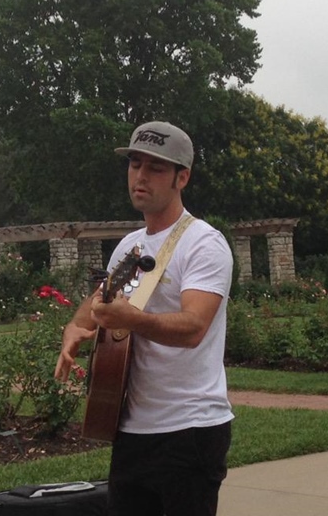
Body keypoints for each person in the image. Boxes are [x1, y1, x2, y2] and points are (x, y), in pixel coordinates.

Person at [55, 121, 234, 516]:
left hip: (191, 430)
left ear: (181, 178)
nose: (140, 176)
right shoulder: (130, 246)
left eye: (155, 168)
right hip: (132, 428)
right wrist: (74, 328)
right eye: (135, 164)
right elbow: (96, 303)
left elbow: (193, 328)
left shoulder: (204, 242)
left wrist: (130, 318)